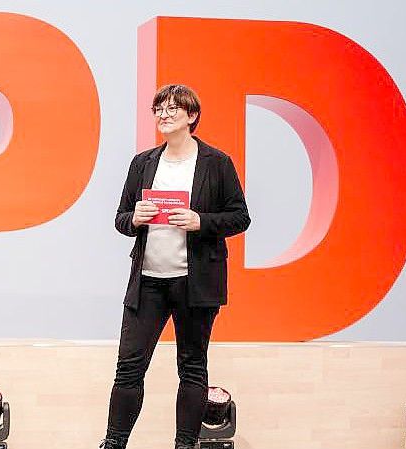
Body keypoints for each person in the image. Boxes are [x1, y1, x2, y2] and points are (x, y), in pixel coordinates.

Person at [100, 84, 250, 449]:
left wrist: (202, 221)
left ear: (192, 116)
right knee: (129, 367)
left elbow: (240, 217)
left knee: (193, 367)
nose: (163, 116)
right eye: (159, 110)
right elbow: (121, 219)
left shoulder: (217, 163)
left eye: (172, 110)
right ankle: (114, 442)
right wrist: (134, 218)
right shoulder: (144, 163)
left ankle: (186, 444)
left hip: (196, 284)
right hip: (147, 282)